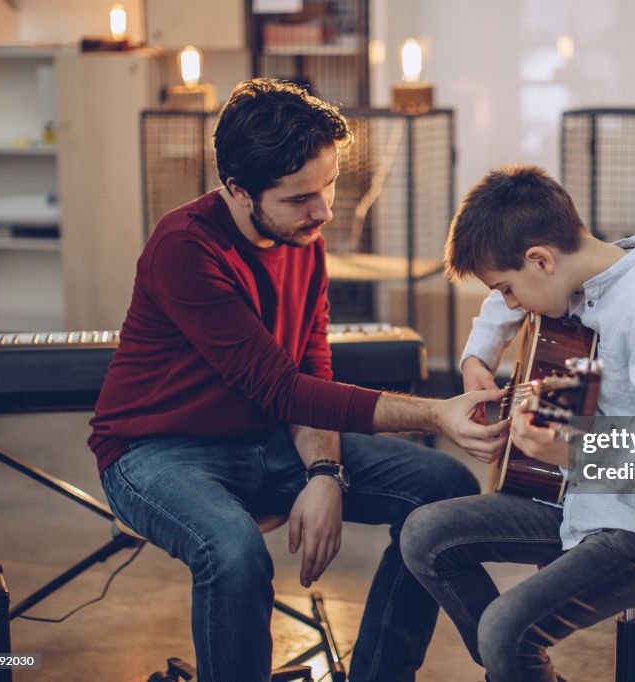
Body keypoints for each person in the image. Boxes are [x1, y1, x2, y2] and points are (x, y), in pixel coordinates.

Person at [89, 78, 507, 682]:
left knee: (441, 488)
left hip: (267, 441)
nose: (325, 211)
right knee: (231, 552)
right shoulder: (185, 248)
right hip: (155, 451)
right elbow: (283, 389)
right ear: (237, 189)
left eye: (330, 186)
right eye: (300, 197)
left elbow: (310, 363)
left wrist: (324, 472)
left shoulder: (301, 237)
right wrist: (435, 413)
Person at [400, 164, 635, 682]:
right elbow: (502, 303)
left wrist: (572, 453)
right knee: (425, 535)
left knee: (505, 630)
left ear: (541, 260)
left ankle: (512, 661)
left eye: (510, 289)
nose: (508, 303)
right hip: (573, 504)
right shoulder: (576, 276)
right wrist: (475, 359)